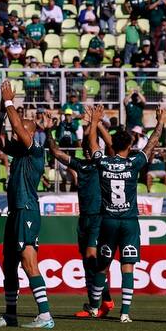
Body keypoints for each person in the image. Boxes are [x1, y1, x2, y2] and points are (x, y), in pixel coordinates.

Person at [85, 103, 166, 323]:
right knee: (127, 267)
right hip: (129, 222)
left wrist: (94, 122)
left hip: (108, 221)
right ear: (130, 146)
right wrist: (160, 122)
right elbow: (152, 143)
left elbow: (93, 145)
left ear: (111, 145)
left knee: (102, 266)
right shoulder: (134, 163)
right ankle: (125, 313)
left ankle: (94, 306)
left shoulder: (103, 162)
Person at [0, 81, 55, 329]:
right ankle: (10, 315)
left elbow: (17, 125)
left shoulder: (34, 150)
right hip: (15, 212)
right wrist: (1, 112)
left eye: (20, 132)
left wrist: (9, 101)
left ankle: (45, 315)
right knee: (9, 266)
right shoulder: (18, 152)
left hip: (27, 210)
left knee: (28, 262)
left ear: (29, 134)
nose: (15, 135)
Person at [45, 108, 115, 318]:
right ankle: (103, 301)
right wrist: (48, 131)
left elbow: (111, 145)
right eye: (85, 147)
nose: (87, 150)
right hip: (83, 219)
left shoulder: (104, 165)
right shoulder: (81, 165)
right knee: (87, 262)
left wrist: (96, 123)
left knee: (92, 258)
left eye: (89, 147)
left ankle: (98, 304)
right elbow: (56, 153)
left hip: (98, 218)